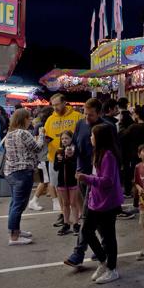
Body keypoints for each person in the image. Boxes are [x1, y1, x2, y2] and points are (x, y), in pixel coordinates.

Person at [72, 124, 124, 284]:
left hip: (108, 203)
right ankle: (104, 261)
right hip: (96, 201)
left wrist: (85, 178)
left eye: (93, 136)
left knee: (109, 237)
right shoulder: (98, 153)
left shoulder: (108, 155)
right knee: (87, 232)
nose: (90, 138)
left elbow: (107, 181)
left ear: (100, 138)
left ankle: (112, 269)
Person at [3, 108, 46, 244]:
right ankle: (14, 237)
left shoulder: (9, 134)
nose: (31, 121)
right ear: (24, 119)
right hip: (22, 172)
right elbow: (38, 148)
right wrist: (42, 135)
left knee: (14, 203)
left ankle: (15, 231)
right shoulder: (24, 133)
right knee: (19, 204)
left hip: (10, 171)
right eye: (29, 118)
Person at [44, 94, 83, 226]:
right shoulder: (50, 119)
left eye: (57, 104)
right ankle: (63, 214)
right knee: (59, 188)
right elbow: (45, 136)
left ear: (64, 102)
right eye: (53, 105)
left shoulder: (77, 116)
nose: (55, 107)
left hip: (73, 160)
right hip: (55, 159)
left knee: (76, 189)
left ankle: (80, 214)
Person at [119, 106, 144, 217]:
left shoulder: (133, 127)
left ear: (137, 115)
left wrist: (121, 124)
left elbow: (122, 136)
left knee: (137, 181)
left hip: (136, 157)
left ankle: (137, 204)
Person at [54, 131, 82, 236]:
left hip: (72, 181)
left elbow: (75, 165)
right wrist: (60, 160)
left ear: (71, 139)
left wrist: (69, 157)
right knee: (65, 204)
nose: (64, 140)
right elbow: (55, 168)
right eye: (62, 139)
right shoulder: (59, 152)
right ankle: (66, 224)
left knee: (73, 203)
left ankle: (76, 224)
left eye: (67, 138)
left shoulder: (74, 151)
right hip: (62, 182)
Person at [29, 106, 54, 211]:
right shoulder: (40, 126)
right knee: (45, 180)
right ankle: (34, 201)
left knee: (49, 180)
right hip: (43, 157)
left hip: (47, 156)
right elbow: (37, 142)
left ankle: (55, 201)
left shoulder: (45, 124)